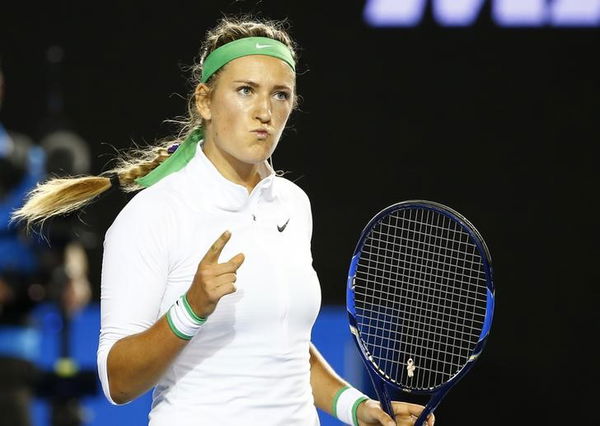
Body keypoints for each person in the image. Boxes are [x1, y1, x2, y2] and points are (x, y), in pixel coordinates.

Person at [13, 16, 435, 426]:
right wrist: (192, 308)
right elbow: (118, 382)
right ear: (204, 101)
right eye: (246, 90)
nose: (264, 112)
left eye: (280, 95)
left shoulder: (292, 204)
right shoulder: (153, 213)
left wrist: (358, 409)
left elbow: (283, 347)